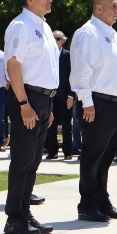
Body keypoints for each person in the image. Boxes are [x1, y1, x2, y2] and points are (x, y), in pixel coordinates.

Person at [70, 0, 117, 222]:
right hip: (98, 103)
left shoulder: (113, 35)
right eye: (113, 6)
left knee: (106, 158)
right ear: (98, 8)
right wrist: (87, 102)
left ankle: (102, 201)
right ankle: (87, 204)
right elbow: (81, 69)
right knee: (93, 156)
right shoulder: (88, 32)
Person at [2, 0, 57, 234]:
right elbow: (13, 66)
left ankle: (24, 212)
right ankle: (15, 218)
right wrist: (24, 103)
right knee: (23, 160)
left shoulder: (43, 26)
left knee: (33, 160)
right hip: (28, 97)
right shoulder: (21, 25)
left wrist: (48, 105)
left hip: (43, 100)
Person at [45, 30, 74, 160]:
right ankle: (52, 151)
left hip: (65, 96)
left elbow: (72, 76)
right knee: (50, 125)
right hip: (50, 96)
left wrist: (71, 96)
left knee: (67, 125)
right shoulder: (47, 54)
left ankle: (68, 152)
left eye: (58, 38)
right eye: (53, 38)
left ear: (63, 41)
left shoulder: (68, 55)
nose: (55, 40)